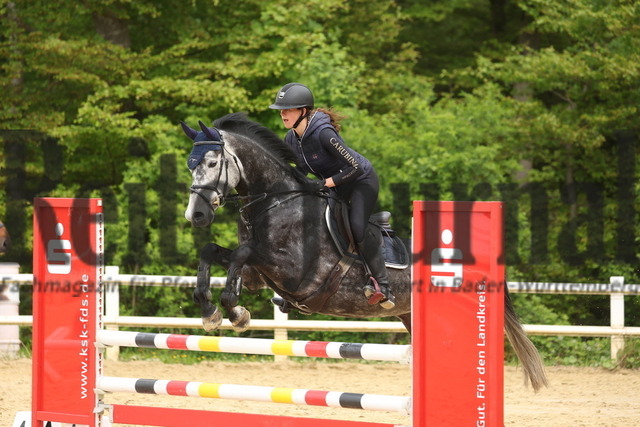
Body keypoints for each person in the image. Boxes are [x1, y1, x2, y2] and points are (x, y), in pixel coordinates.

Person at [269, 82, 395, 309]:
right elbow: (299, 172)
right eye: (281, 110)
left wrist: (325, 183)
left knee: (356, 226)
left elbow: (355, 166)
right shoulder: (291, 139)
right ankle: (294, 289)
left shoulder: (323, 133)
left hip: (360, 181)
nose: (282, 113)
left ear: (303, 111)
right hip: (334, 185)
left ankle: (383, 285)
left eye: (288, 109)